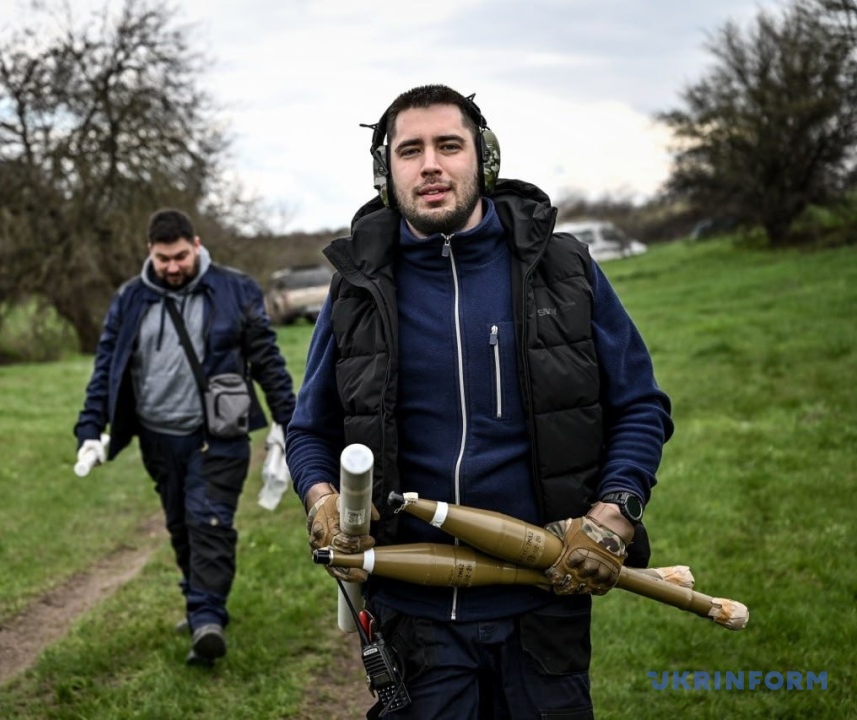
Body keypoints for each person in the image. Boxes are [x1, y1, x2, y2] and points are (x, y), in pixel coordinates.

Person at [286, 84, 673, 718]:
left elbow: (640, 406)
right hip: (413, 614)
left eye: (449, 145)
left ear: (483, 159)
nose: (430, 164)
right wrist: (322, 498)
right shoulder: (357, 289)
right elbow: (309, 431)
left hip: (546, 598)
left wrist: (614, 514)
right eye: (410, 150)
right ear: (387, 171)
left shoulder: (566, 269)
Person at [74, 208, 296, 667]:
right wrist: (90, 429)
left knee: (209, 521)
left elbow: (267, 361)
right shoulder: (130, 299)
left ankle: (207, 620)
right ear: (149, 254)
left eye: (179, 256)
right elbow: (106, 368)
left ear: (196, 245)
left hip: (219, 435)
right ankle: (202, 603)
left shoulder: (236, 289)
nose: (172, 267)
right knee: (180, 526)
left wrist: (290, 424)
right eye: (162, 259)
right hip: (158, 439)